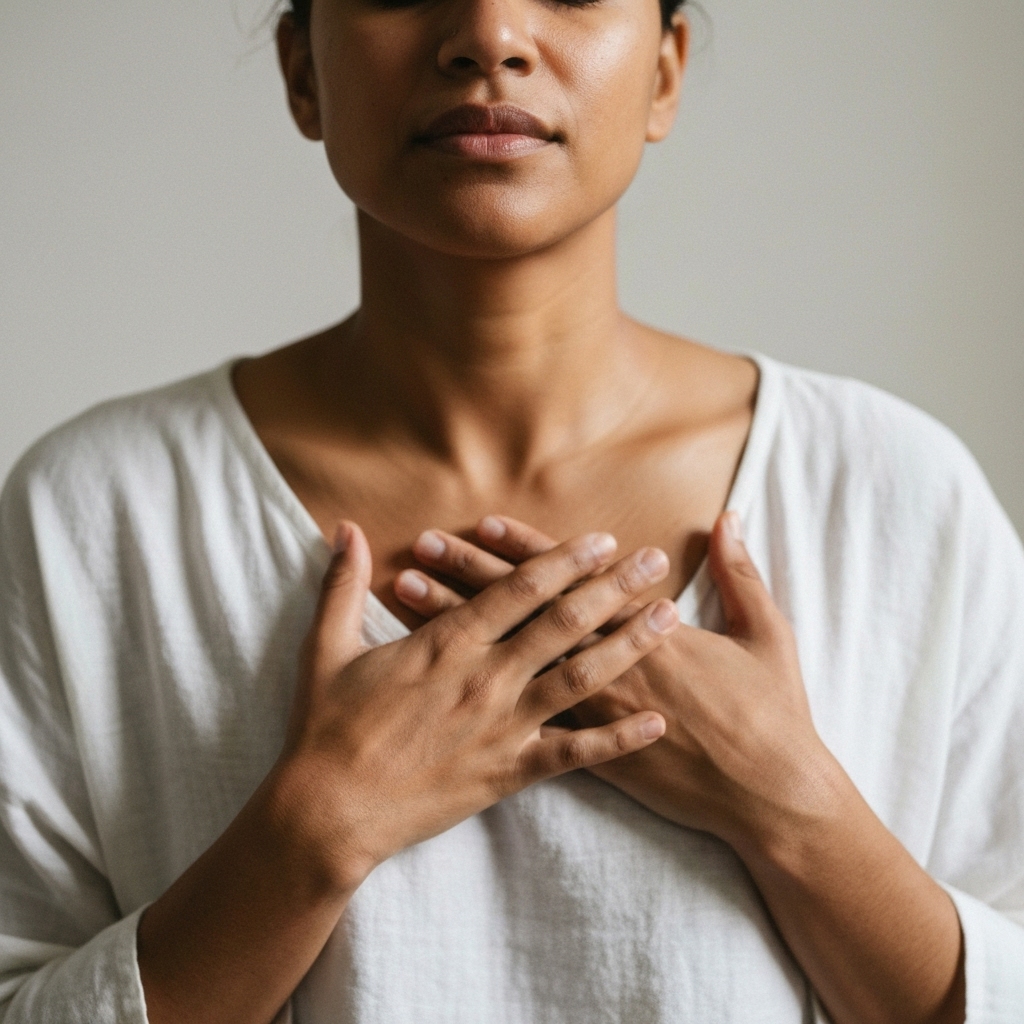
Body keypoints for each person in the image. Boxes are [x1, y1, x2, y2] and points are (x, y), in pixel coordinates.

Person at [0, 0, 1021, 1020]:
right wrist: (314, 831)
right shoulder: (95, 516)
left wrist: (796, 809)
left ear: (664, 70)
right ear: (303, 71)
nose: (487, 35)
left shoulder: (893, 493)